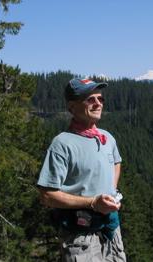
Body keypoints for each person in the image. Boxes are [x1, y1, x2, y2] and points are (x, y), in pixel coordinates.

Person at [37, 77, 126, 262]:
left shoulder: (107, 138)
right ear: (72, 107)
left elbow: (116, 162)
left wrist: (111, 190)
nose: (98, 103)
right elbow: (47, 195)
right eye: (90, 99)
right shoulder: (62, 144)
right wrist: (93, 202)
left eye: (100, 99)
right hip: (80, 236)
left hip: (111, 229)